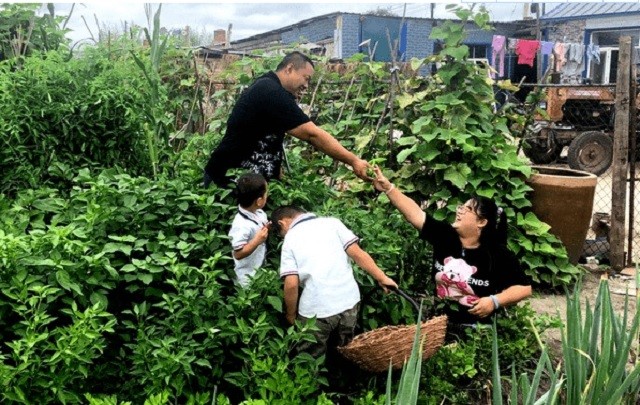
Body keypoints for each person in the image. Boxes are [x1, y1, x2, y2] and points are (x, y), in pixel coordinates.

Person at [371, 167, 532, 337]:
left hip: (477, 331)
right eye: (461, 207)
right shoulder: (445, 237)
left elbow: (524, 288)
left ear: (482, 222)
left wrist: (494, 301)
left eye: (467, 209)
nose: (459, 210)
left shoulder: (496, 253)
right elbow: (415, 214)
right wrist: (388, 188)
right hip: (439, 324)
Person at [203, 51, 371, 187]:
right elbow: (312, 135)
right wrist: (354, 161)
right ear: (289, 68)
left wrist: (276, 169)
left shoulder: (270, 87)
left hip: (245, 183)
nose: (306, 85)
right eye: (306, 78)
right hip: (228, 182)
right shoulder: (269, 90)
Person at [271, 205, 398, 359]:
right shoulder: (333, 223)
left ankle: (310, 381)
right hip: (348, 303)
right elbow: (358, 254)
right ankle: (344, 377)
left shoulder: (290, 240)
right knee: (345, 350)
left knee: (309, 358)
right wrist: (382, 278)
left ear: (282, 223)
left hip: (316, 311)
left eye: (280, 234)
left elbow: (291, 284)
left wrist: (290, 314)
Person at [228, 173, 270, 288]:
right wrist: (257, 241)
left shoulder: (260, 213)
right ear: (259, 201)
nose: (268, 195)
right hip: (246, 277)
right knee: (248, 301)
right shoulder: (241, 225)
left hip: (258, 268)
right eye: (266, 193)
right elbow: (238, 254)